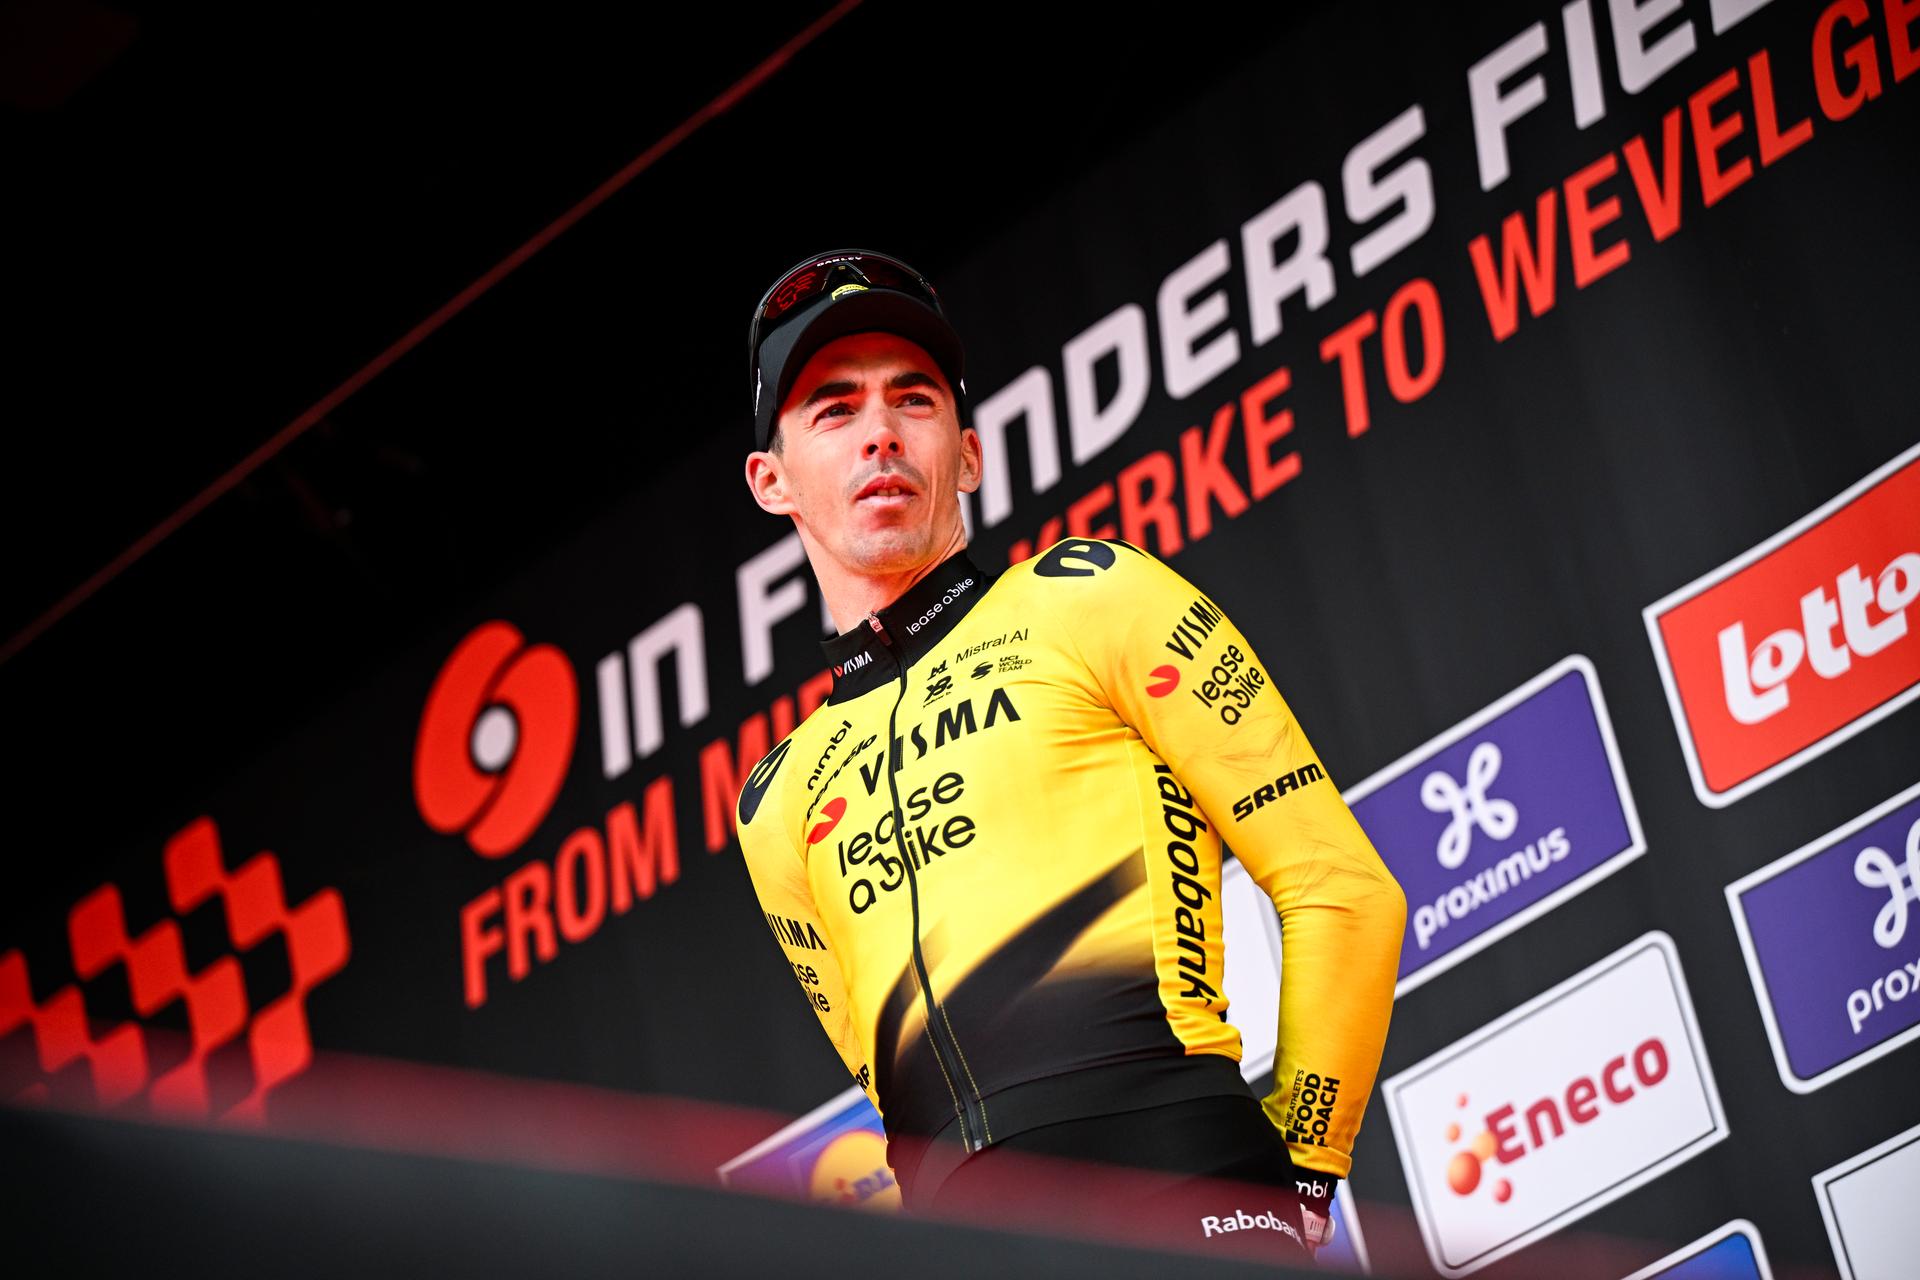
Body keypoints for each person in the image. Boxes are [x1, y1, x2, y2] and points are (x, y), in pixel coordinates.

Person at [734, 248, 1406, 1263]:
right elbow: (887, 1082)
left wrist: (1301, 1177)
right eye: (834, 408)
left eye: (912, 400)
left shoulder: (1092, 595)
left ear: (967, 454)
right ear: (770, 480)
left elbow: (1343, 889)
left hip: (1186, 1180)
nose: (880, 431)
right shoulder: (775, 800)